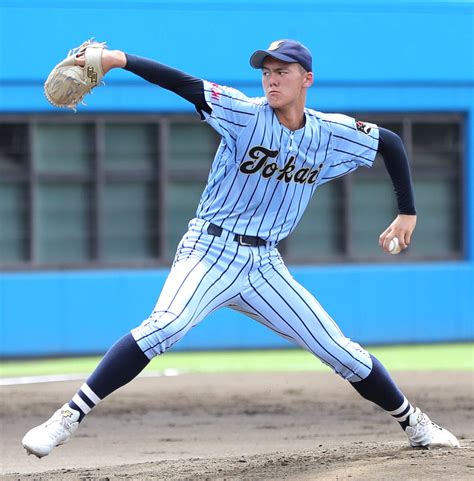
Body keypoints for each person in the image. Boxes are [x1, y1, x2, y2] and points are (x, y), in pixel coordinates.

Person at [22, 39, 459, 458]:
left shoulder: (329, 132)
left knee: (338, 349)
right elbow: (185, 84)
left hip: (264, 264)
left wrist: (407, 212)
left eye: (282, 72)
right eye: (266, 72)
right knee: (166, 325)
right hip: (209, 251)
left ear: (306, 79)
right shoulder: (243, 114)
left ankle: (416, 423)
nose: (271, 80)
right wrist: (118, 59)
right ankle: (66, 418)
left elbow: (390, 143)